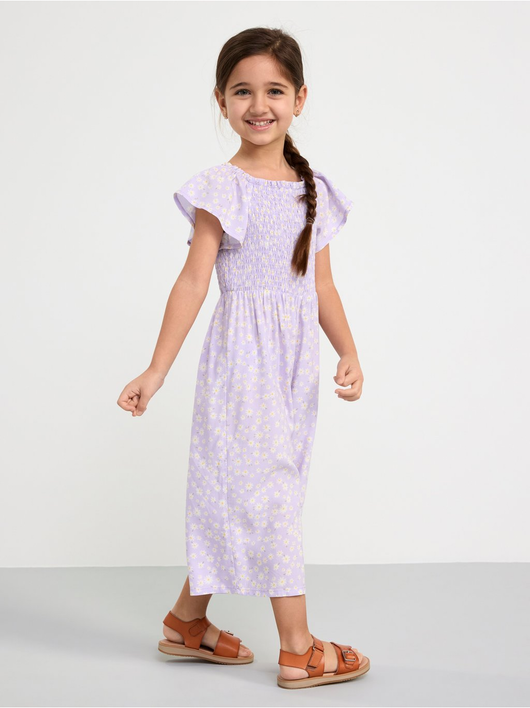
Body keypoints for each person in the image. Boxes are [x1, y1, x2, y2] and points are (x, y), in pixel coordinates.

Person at [117, 26, 369, 690]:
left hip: (295, 367)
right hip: (242, 366)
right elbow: (193, 282)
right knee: (271, 495)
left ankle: (185, 622)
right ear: (222, 100)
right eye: (243, 92)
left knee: (250, 494)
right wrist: (156, 370)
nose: (259, 105)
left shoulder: (314, 189)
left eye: (275, 91)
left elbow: (322, 286)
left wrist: (348, 350)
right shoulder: (220, 187)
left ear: (300, 98)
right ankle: (298, 648)